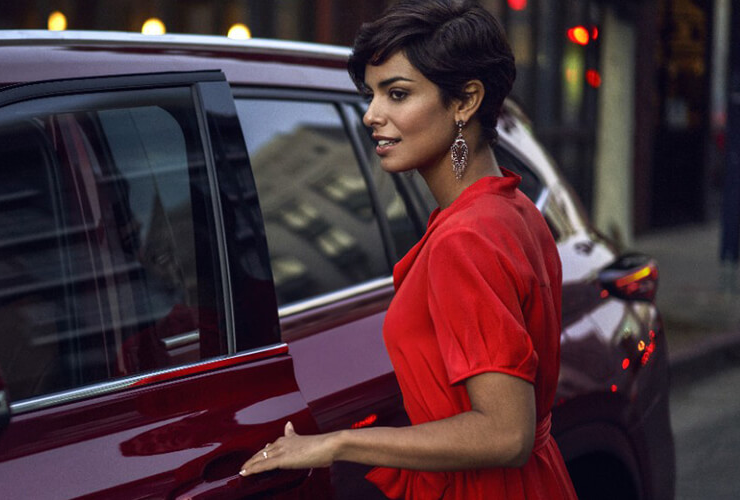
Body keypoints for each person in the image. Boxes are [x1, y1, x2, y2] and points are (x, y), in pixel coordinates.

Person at [239, 1, 578, 498]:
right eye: (371, 95)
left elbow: (506, 433)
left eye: (397, 94)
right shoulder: (513, 207)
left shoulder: (465, 240)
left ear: (465, 102)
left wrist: (335, 444)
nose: (372, 115)